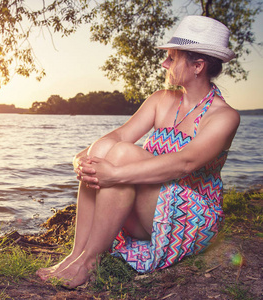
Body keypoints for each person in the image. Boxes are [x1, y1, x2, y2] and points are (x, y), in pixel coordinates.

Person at [36, 15, 240, 288]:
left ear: (198, 66)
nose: (163, 63)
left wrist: (116, 173)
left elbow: (185, 163)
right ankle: (77, 254)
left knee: (123, 155)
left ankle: (90, 262)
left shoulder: (224, 116)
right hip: (147, 208)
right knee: (105, 147)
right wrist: (83, 156)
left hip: (191, 218)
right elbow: (120, 134)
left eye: (171, 58)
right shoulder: (161, 99)